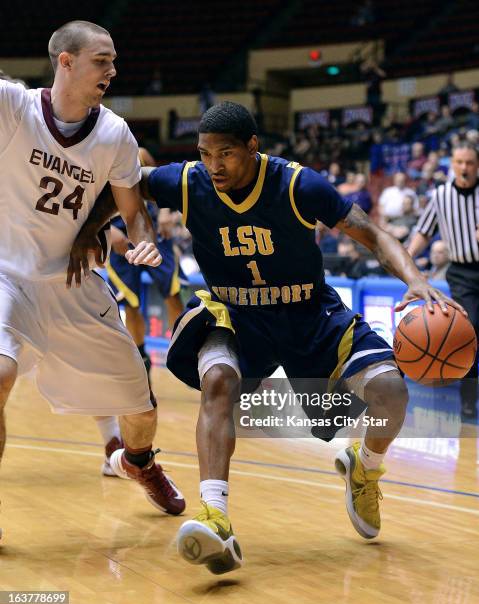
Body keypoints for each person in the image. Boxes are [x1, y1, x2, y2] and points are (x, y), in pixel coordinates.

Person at [71, 102, 462, 575]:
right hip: (235, 315)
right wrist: (88, 231)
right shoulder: (190, 181)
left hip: (309, 313)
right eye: (205, 153)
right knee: (217, 380)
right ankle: (215, 516)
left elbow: (374, 234)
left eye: (227, 154)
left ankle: (366, 466)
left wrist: (416, 281)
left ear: (253, 148)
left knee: (391, 391)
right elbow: (125, 184)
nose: (214, 165)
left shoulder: (299, 184)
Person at [0, 20, 186, 543]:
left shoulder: (113, 133)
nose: (112, 69)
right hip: (6, 273)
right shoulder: (12, 106)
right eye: (102, 60)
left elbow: (135, 210)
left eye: (113, 61)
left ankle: (140, 462)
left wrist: (141, 237)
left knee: (142, 407)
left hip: (72, 280)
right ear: (66, 61)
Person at [408, 142, 479, 420]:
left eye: (470, 163)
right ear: (453, 165)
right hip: (462, 272)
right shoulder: (440, 196)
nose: (464, 168)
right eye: (459, 162)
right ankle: (468, 400)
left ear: (477, 165)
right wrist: (406, 258)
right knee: (471, 331)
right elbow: (424, 231)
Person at [107, 147, 185, 383]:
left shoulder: (139, 153)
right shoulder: (97, 158)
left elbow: (159, 183)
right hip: (116, 232)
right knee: (130, 304)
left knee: (172, 294)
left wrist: (164, 212)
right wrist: (108, 232)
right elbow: (85, 205)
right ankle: (142, 360)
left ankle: (184, 352)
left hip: (148, 228)